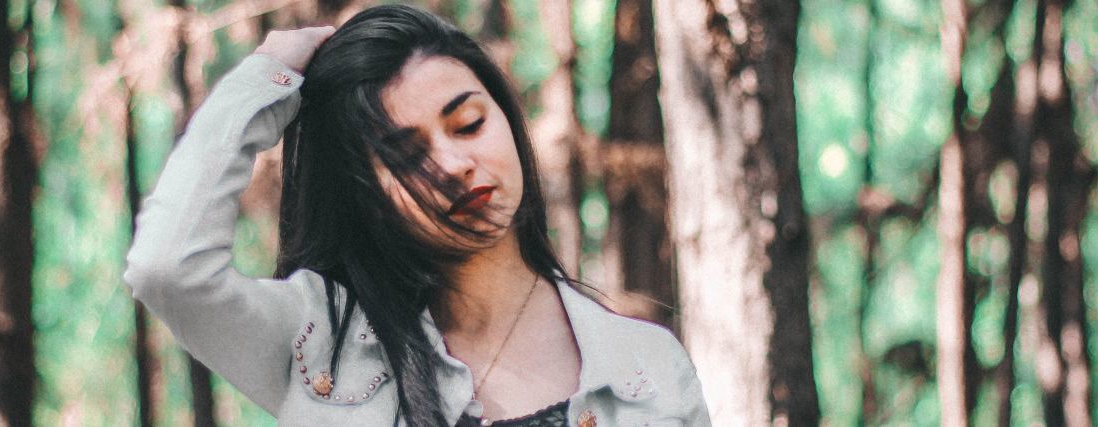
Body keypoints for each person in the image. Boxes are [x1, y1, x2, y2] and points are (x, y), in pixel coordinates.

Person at [124, 5, 709, 426]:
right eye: (407, 155)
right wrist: (264, 78)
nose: (453, 164)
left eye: (469, 123)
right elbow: (165, 269)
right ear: (367, 196)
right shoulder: (317, 343)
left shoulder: (648, 369)